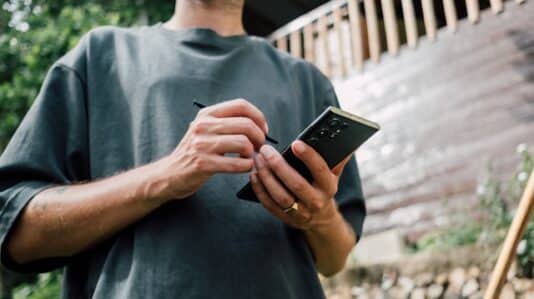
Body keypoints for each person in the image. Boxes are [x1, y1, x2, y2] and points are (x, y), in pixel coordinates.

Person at [0, 0, 366, 298]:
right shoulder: (100, 56)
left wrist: (318, 216)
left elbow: (334, 259)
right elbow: (17, 235)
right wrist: (168, 174)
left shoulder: (308, 81)